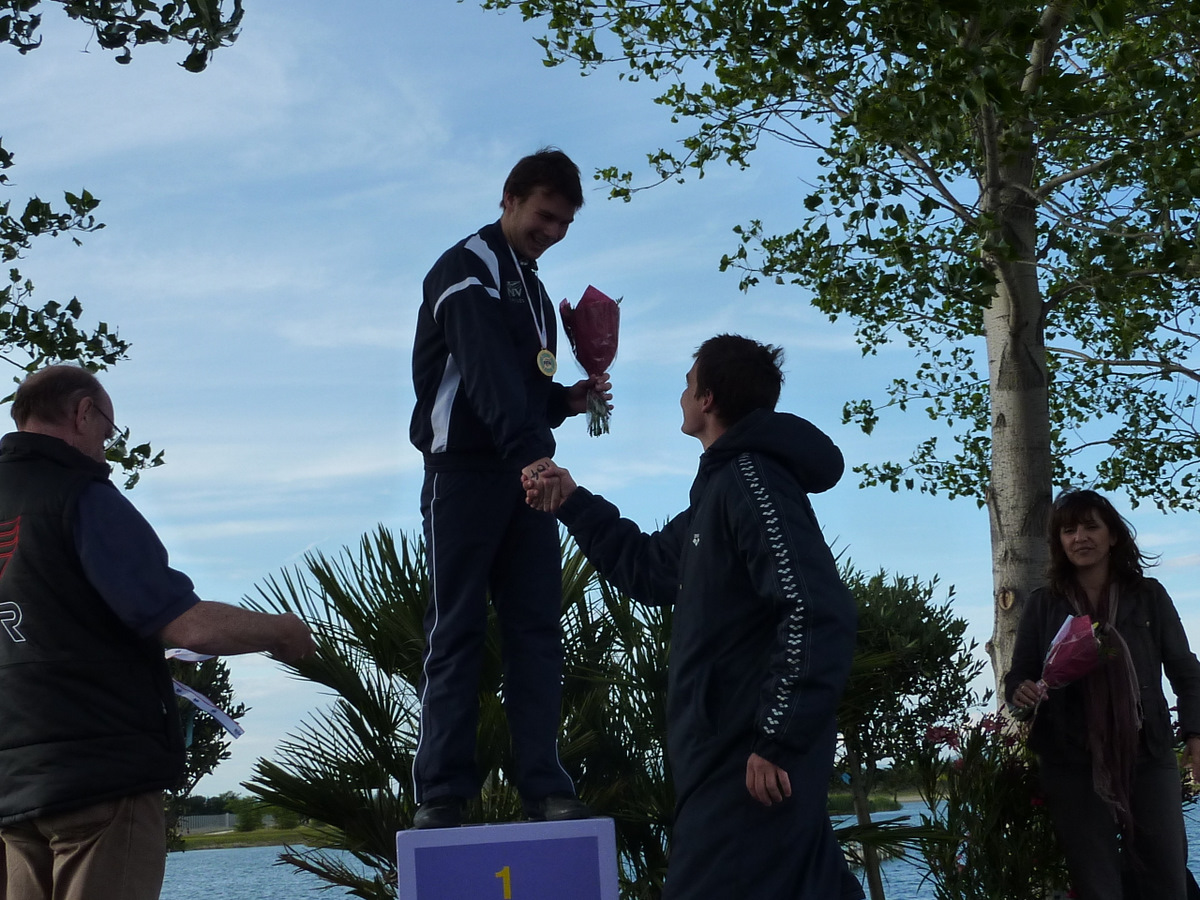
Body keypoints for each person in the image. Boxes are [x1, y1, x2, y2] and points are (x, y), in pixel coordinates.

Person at [523, 334, 865, 900]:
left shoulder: (752, 480)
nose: (681, 395)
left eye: (688, 384)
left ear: (707, 399)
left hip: (747, 761)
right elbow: (649, 568)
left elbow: (815, 608)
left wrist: (777, 740)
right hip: (728, 759)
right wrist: (572, 501)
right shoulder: (720, 488)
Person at [0, 364, 318, 900]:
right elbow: (187, 625)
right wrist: (281, 630)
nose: (106, 451)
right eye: (108, 432)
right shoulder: (81, 495)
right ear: (83, 413)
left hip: (11, 793)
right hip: (99, 779)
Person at [408, 148, 609, 829]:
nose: (551, 232)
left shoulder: (534, 290)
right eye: (543, 216)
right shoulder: (466, 267)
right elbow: (485, 373)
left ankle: (544, 787)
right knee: (456, 630)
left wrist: (566, 401)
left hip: (526, 474)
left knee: (537, 632)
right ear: (510, 199)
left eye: (564, 224)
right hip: (464, 474)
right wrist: (532, 456)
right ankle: (442, 793)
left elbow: (523, 386)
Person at [1006, 489, 1200, 900]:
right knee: (1098, 884)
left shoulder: (1148, 596)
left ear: (1113, 535)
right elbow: (1020, 674)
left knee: (1167, 876)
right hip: (1070, 758)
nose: (1080, 537)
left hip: (1148, 751)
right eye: (1069, 531)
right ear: (1059, 542)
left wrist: (1195, 736)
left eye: (1091, 527)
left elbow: (1186, 673)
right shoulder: (1044, 604)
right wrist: (1020, 691)